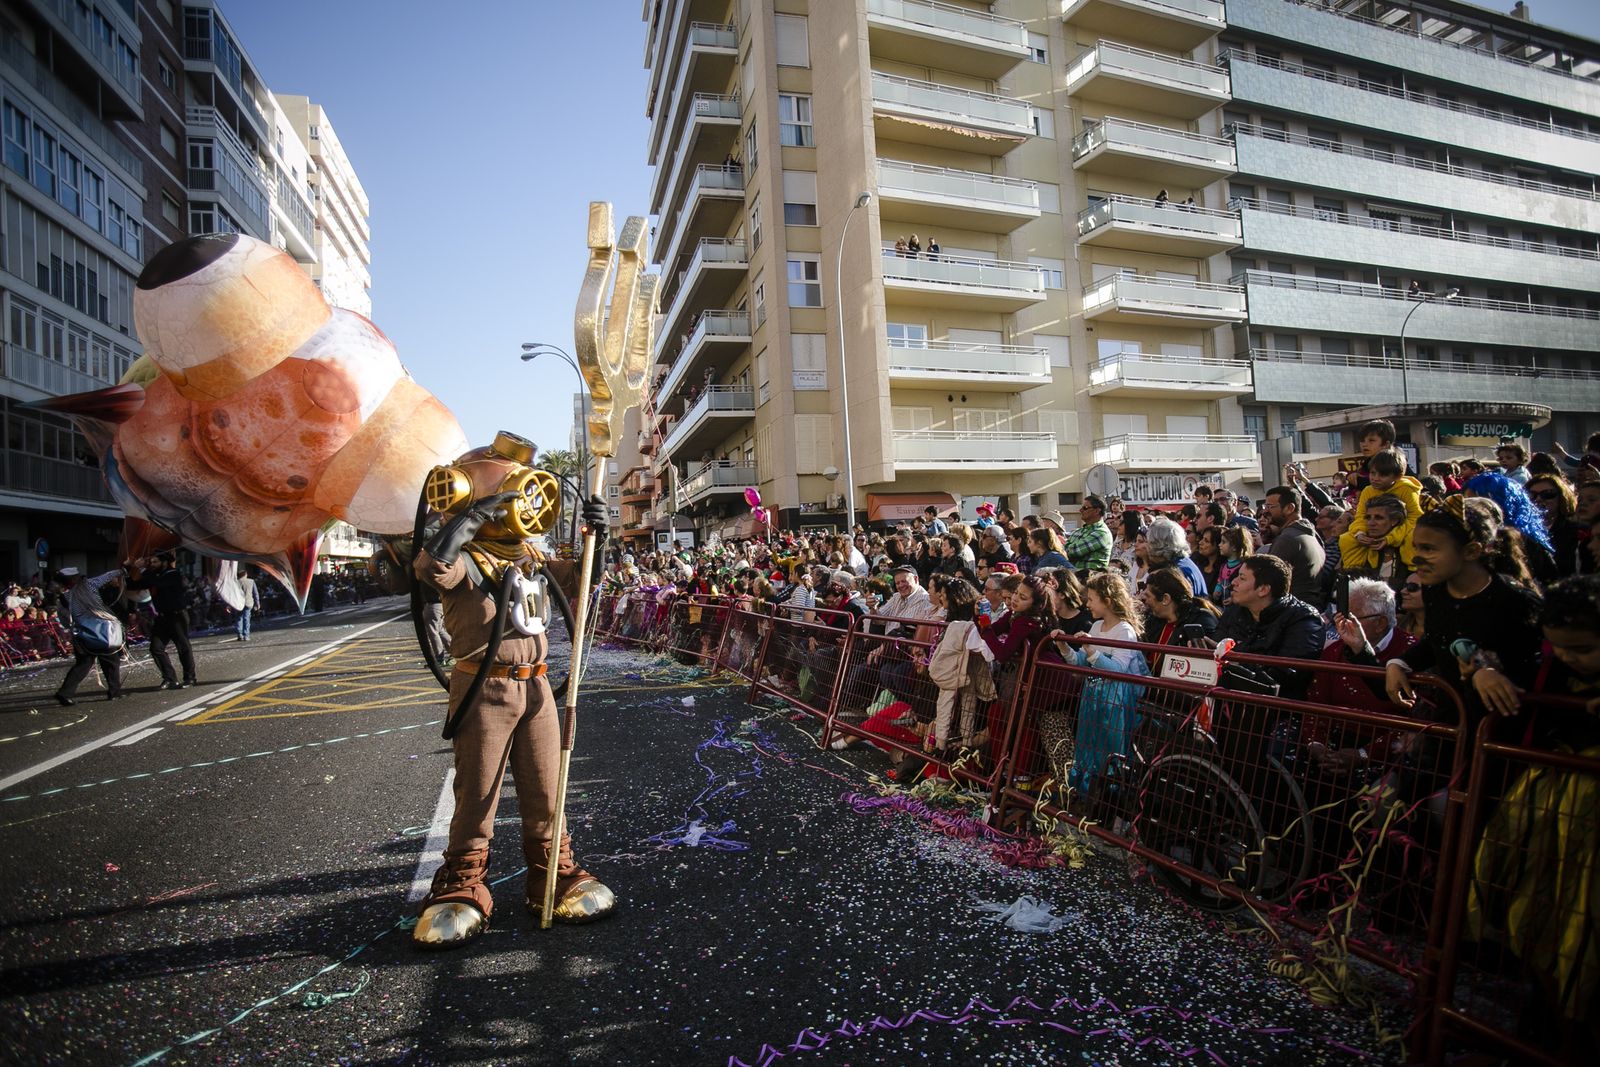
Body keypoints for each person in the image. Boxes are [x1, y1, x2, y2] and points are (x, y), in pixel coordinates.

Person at [411, 432, 615, 947]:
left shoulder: (529, 556)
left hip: (539, 687)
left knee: (549, 789)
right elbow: (432, 567)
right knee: (477, 793)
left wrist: (600, 538)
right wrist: (472, 519)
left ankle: (554, 875)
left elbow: (582, 582)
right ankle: (462, 886)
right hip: (485, 688)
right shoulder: (464, 557)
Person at [1385, 496, 1543, 725]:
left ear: (1471, 551)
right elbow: (1440, 639)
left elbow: (1536, 664)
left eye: (1429, 549)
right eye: (1416, 547)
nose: (1417, 557)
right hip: (1454, 722)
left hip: (1505, 730)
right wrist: (1399, 663)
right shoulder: (1435, 591)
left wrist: (1490, 671)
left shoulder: (1513, 600)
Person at [1050, 572, 1148, 795]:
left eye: (1092, 599)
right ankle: (1085, 792)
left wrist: (1091, 650)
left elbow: (1119, 670)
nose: (1087, 604)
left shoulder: (1124, 631)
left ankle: (1109, 795)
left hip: (1115, 703)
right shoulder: (1096, 627)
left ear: (1108, 601)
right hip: (1093, 698)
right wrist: (1064, 646)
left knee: (1110, 748)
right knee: (1089, 746)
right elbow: (1082, 663)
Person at [1212, 555, 1324, 700]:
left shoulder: (1304, 619)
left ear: (1263, 589)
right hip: (1226, 703)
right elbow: (1216, 642)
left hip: (1277, 711)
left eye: (1242, 578)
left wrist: (1234, 664)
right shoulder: (1235, 612)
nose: (1233, 582)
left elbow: (1288, 675)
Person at [1339, 450, 1422, 578]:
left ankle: (1414, 572)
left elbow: (1415, 517)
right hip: (1376, 529)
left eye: (1382, 475)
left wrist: (1391, 538)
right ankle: (1353, 575)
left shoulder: (1407, 489)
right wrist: (1360, 533)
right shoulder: (1368, 490)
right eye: (1373, 473)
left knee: (1411, 539)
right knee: (1347, 539)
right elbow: (1360, 516)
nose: (1375, 478)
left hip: (1403, 528)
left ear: (1398, 476)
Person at [1464, 470, 1557, 582]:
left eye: (1476, 506)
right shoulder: (1466, 540)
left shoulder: (1529, 546)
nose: (1468, 511)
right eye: (1467, 502)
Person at [53, 568, 127, 706]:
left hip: (83, 634)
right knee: (111, 662)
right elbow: (107, 575)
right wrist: (123, 569)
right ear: (76, 578)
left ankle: (65, 693)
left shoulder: (65, 597)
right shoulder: (89, 585)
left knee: (83, 664)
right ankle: (114, 692)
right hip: (104, 630)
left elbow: (63, 618)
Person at [127, 553, 198, 690]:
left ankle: (190, 678)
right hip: (162, 617)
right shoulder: (154, 576)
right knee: (156, 648)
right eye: (150, 562)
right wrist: (128, 568)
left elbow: (157, 583)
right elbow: (134, 584)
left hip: (177, 616)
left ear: (164, 562)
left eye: (155, 562)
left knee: (183, 648)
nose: (151, 565)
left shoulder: (174, 574)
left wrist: (142, 569)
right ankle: (170, 678)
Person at [1262, 485, 1327, 608]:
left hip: (1292, 613)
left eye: (1270, 507)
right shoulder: (1310, 534)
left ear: (1289, 508)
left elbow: (1269, 581)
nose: (1265, 511)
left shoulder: (1288, 539)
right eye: (1266, 506)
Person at [1140, 565, 1220, 652]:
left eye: (1148, 595)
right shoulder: (1153, 620)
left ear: (1165, 599)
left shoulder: (1200, 620)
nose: (1142, 598)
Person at [1144, 515, 1206, 596]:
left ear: (1158, 545)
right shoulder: (1183, 562)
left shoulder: (1176, 572)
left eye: (1149, 542)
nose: (1147, 546)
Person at [1063, 495, 1113, 572]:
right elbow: (1063, 550)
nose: (1080, 510)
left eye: (1085, 508)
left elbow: (1074, 551)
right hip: (1073, 577)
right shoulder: (1078, 531)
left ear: (1097, 511)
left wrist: (1065, 548)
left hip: (1090, 579)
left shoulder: (1102, 533)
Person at [234, 567, 260, 641]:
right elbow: (255, 593)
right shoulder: (251, 581)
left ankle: (239, 634)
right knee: (246, 618)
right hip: (248, 602)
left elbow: (232, 594)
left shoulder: (236, 582)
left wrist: (229, 605)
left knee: (239, 618)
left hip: (238, 603)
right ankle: (246, 635)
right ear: (245, 574)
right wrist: (257, 602)